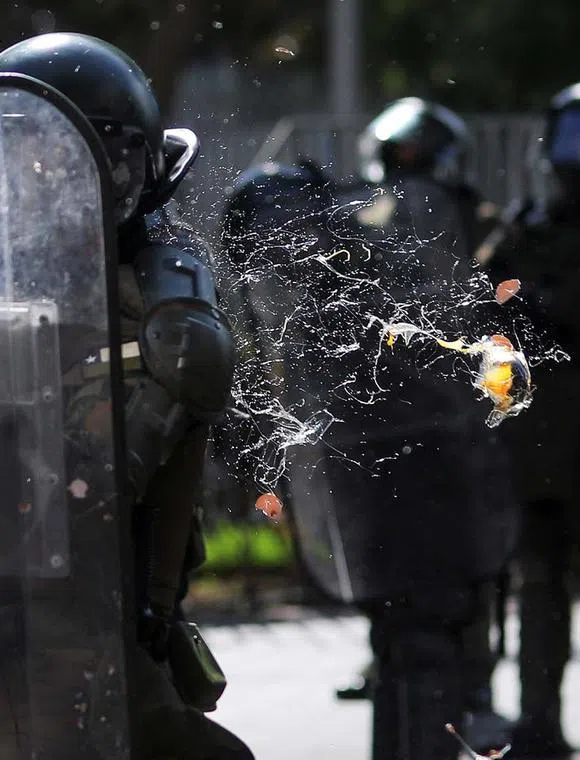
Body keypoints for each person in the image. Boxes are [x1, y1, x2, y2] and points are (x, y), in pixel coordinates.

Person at [0, 32, 250, 759]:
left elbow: (86, 489)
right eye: (21, 159)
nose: (39, 183)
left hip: (88, 634)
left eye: (63, 162)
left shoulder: (156, 305)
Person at [222, 141, 519, 759]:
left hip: (432, 493)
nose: (284, 271)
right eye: (271, 262)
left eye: (288, 253)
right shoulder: (316, 311)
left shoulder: (382, 286)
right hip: (384, 507)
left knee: (424, 648)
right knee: (401, 650)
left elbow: (441, 385)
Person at [331, 97, 516, 754]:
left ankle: (474, 691)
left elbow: (512, 324)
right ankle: (457, 695)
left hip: (457, 443)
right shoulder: (359, 230)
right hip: (396, 448)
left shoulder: (478, 226)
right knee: (413, 620)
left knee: (451, 605)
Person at [476, 81, 580, 760]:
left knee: (540, 588)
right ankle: (538, 721)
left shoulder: (523, 235)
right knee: (539, 587)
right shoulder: (523, 234)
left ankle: (539, 722)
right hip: (545, 450)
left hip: (543, 450)